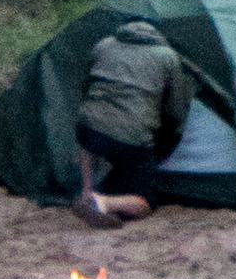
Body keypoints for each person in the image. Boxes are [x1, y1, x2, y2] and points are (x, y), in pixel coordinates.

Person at [72, 14, 191, 224]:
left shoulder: (104, 44)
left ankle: (86, 190)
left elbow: (86, 85)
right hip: (132, 137)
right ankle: (103, 203)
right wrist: (169, 135)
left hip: (89, 127)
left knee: (91, 130)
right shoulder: (167, 56)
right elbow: (175, 109)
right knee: (146, 202)